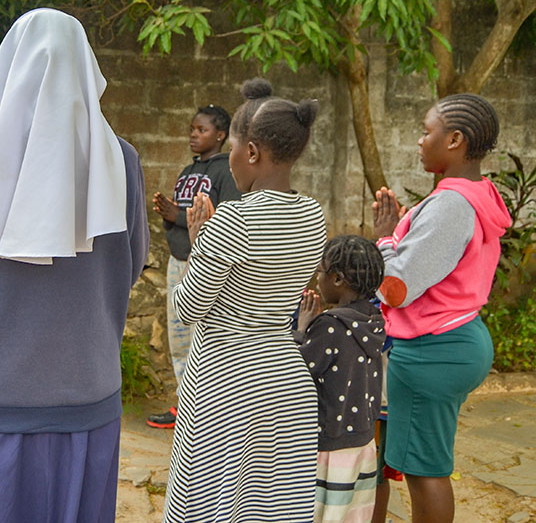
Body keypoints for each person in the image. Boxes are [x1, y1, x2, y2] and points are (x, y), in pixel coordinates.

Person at [0, 8, 149, 523]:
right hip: (85, 396)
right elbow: (131, 268)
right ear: (87, 70)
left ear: (6, 69)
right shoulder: (122, 163)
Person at [164, 78, 325, 522]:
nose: (230, 156)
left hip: (225, 376)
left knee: (207, 501)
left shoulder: (233, 219)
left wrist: (200, 243)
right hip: (284, 377)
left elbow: (188, 308)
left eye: (233, 145)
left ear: (251, 152)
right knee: (269, 503)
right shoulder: (313, 214)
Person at [372, 93, 509, 523]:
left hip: (433, 348)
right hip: (456, 335)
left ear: (454, 140)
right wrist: (397, 238)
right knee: (418, 459)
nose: (418, 139)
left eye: (426, 131)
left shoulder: (451, 205)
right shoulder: (476, 193)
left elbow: (397, 288)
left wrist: (384, 240)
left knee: (424, 469)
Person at [148, 104, 239, 429]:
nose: (193, 134)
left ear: (221, 135)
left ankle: (202, 411)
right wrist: (170, 216)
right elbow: (177, 217)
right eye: (192, 128)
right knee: (178, 338)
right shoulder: (188, 172)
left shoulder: (224, 171)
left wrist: (180, 216)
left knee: (200, 336)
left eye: (201, 130)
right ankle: (183, 403)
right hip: (178, 261)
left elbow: (227, 219)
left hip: (204, 266)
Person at [296, 235, 386, 523]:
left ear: (337, 279)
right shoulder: (372, 319)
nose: (316, 278)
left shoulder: (330, 326)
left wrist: (302, 330)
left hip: (330, 447)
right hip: (362, 445)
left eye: (320, 271)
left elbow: (298, 372)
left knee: (323, 514)